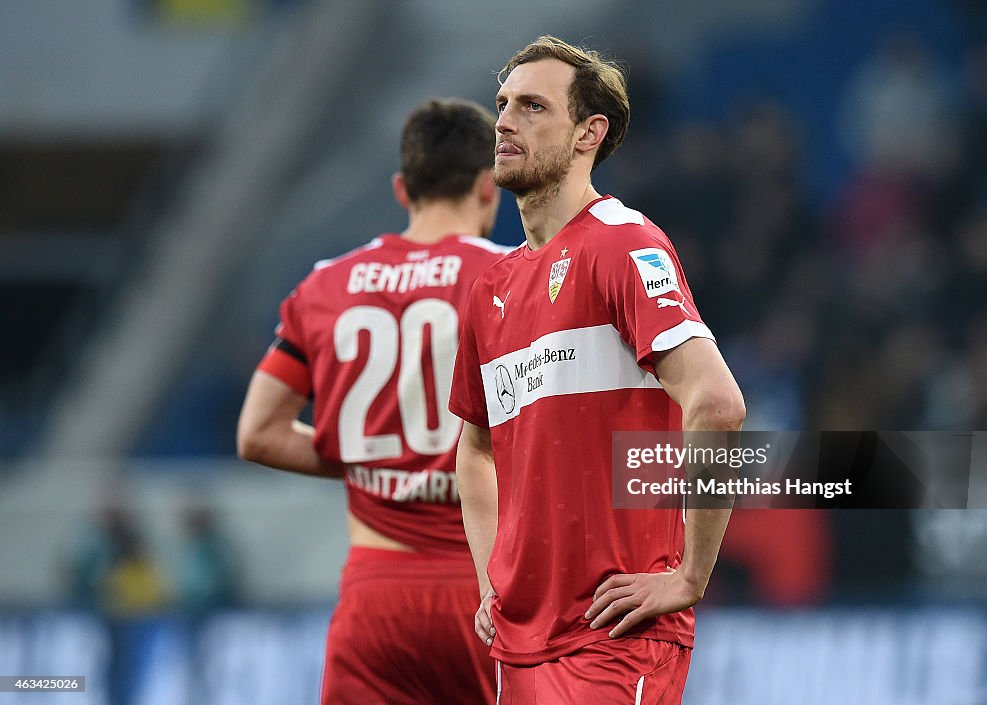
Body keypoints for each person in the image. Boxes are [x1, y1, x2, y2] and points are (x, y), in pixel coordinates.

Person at [449, 37, 745, 704]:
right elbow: (473, 450)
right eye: (502, 105)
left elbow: (718, 403)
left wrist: (689, 576)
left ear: (589, 133)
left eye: (531, 106)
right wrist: (490, 579)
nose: (503, 121)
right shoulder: (490, 289)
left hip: (612, 634)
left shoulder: (622, 242)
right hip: (518, 639)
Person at [237, 98, 508, 705]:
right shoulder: (513, 276)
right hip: (487, 589)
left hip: (373, 596)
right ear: (489, 187)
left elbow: (258, 433)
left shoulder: (326, 283)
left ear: (400, 188)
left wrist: (380, 460)